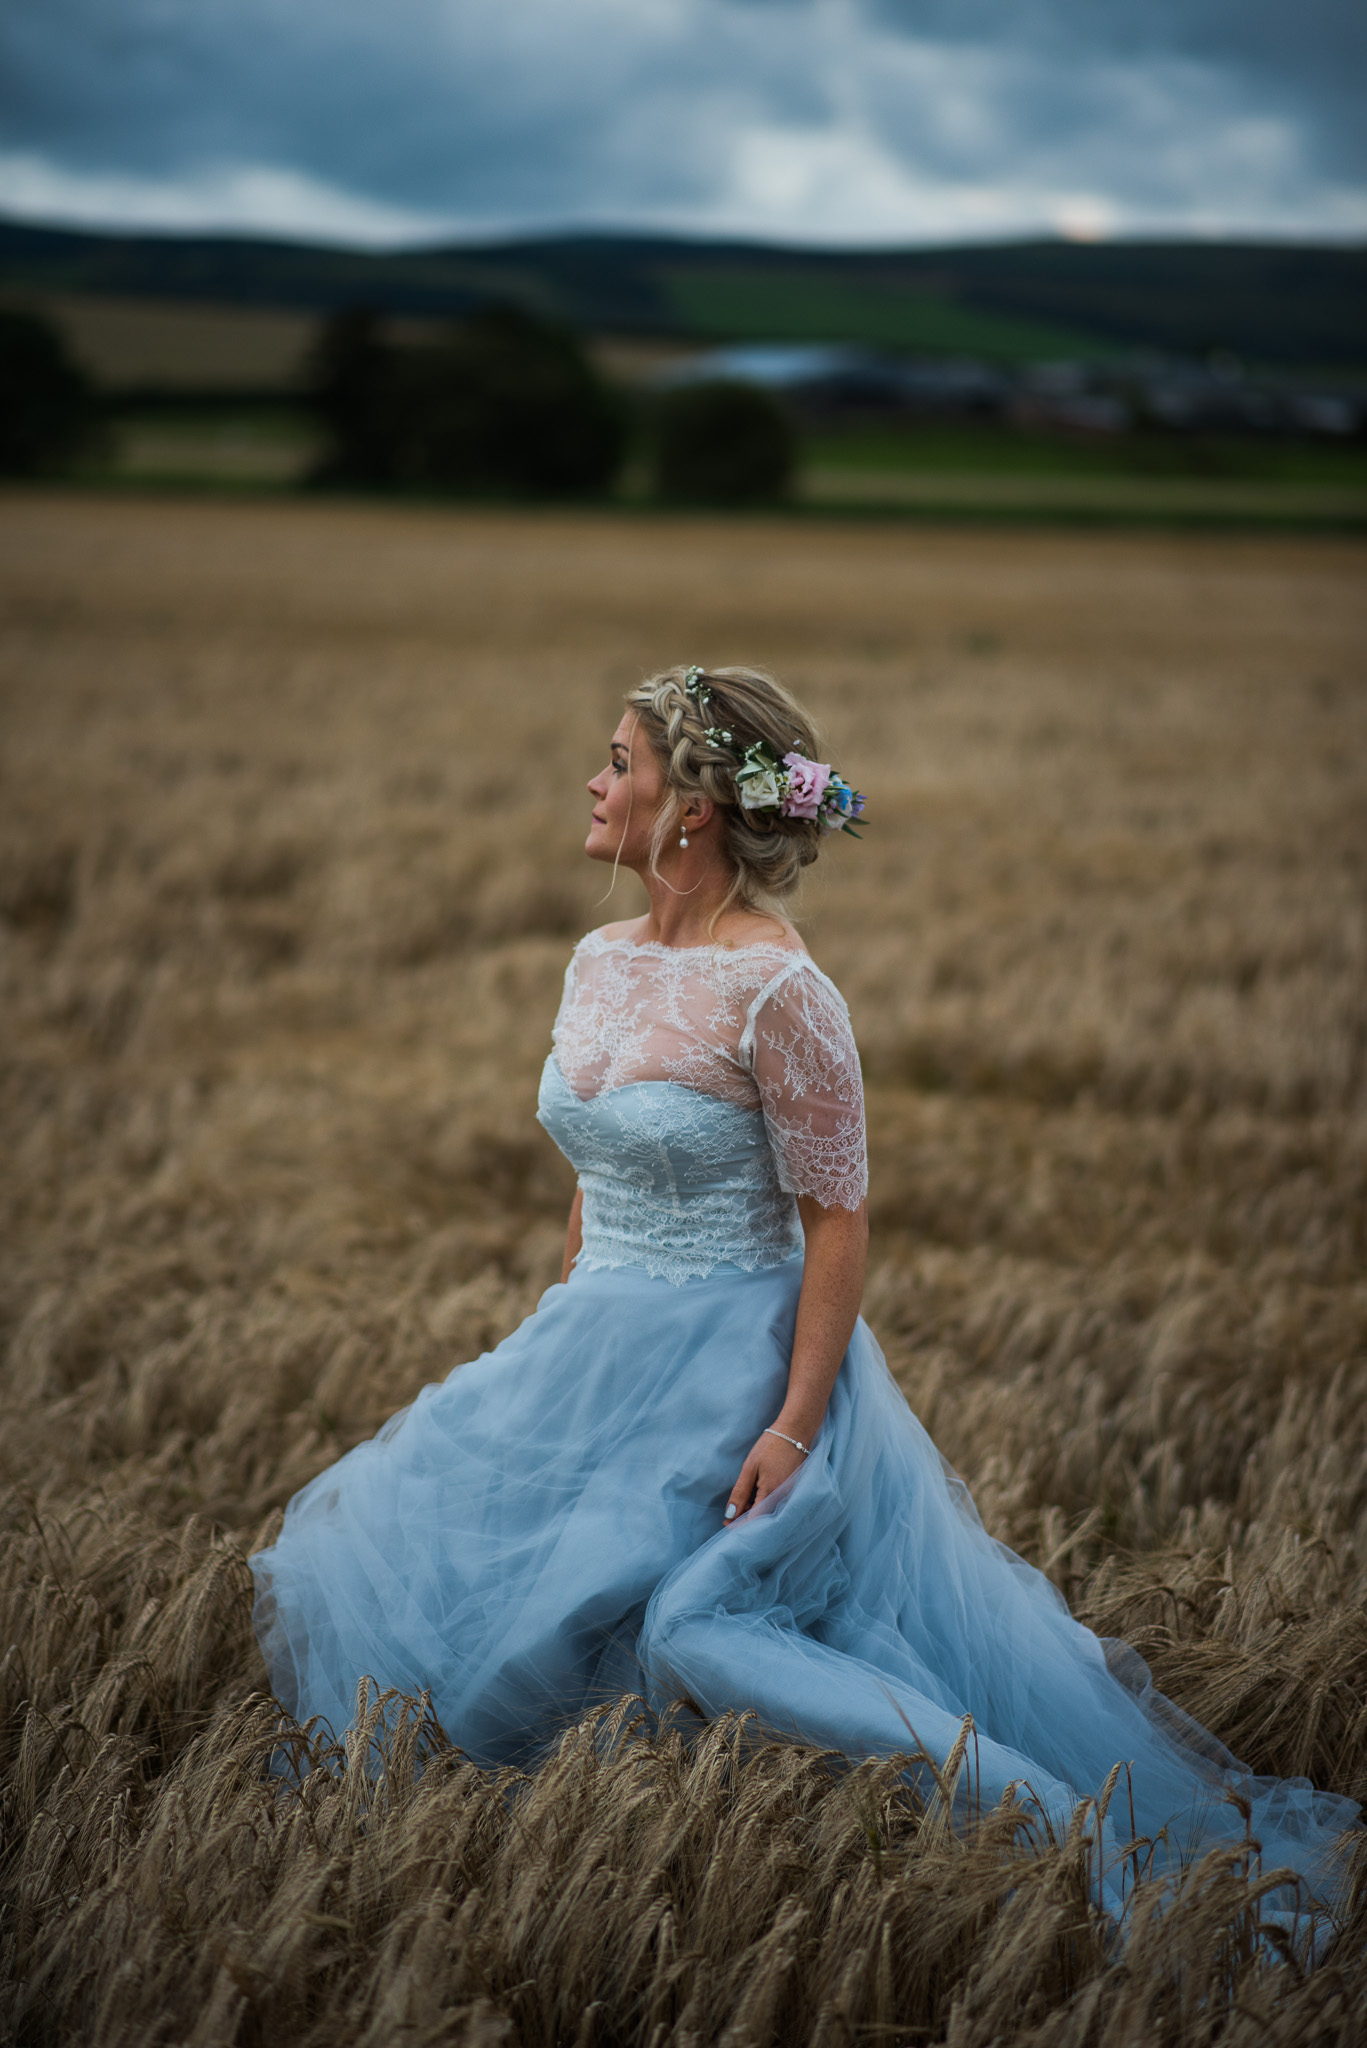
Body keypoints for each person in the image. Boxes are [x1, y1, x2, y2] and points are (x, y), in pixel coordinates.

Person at [251, 663, 1355, 1931]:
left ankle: (1047, 1835)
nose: (595, 780)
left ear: (694, 808)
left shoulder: (781, 989)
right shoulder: (595, 957)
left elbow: (836, 1220)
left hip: (736, 1360)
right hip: (592, 1341)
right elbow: (597, 1156)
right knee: (457, 1604)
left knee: (691, 1625)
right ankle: (544, 1851)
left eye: (620, 760)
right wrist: (561, 1316)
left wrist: (791, 1423)